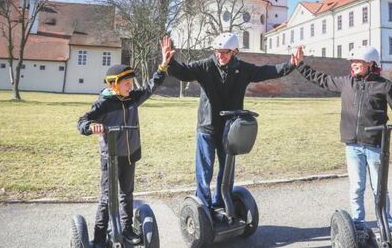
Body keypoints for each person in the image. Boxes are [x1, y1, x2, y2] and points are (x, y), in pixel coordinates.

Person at [164, 33, 301, 211]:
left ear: (234, 51)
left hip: (231, 128)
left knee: (227, 170)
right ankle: (203, 208)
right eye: (218, 51)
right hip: (207, 126)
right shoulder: (205, 66)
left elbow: (267, 71)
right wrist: (170, 62)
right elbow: (183, 72)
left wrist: (291, 65)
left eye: (225, 52)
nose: (220, 56)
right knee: (204, 171)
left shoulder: (243, 69)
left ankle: (221, 202)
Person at [293, 45, 392, 243]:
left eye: (358, 61)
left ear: (370, 64)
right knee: (357, 187)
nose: (353, 65)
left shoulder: (384, 85)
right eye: (352, 62)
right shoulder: (346, 82)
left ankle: (386, 225)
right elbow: (320, 79)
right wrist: (300, 65)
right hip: (353, 145)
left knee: (379, 188)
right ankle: (358, 225)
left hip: (375, 145)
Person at [77, 37, 174, 247]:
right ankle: (100, 237)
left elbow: (151, 86)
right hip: (110, 158)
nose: (131, 87)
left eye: (131, 83)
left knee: (126, 194)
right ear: (113, 85)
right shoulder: (103, 103)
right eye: (126, 84)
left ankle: (127, 229)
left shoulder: (132, 98)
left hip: (130, 155)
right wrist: (90, 127)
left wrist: (163, 65)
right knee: (106, 198)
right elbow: (82, 121)